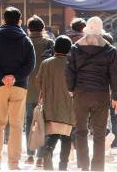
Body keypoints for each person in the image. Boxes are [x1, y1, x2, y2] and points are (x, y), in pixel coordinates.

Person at [66, 16, 117, 172]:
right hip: (101, 94)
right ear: (101, 30)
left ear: (86, 29)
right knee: (99, 132)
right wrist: (115, 96)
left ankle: (84, 165)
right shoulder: (110, 50)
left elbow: (69, 72)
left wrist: (71, 89)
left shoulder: (75, 48)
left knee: (81, 131)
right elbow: (115, 75)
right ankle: (97, 167)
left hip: (80, 93)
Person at [0, 6, 36, 171]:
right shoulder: (25, 40)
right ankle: (14, 163)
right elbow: (30, 64)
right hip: (19, 86)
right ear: (20, 21)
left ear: (3, 20)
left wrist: (2, 76)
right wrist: (15, 77)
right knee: (17, 124)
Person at [36, 35, 75, 171]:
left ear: (55, 48)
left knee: (52, 136)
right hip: (69, 106)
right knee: (66, 137)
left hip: (50, 105)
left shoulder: (46, 63)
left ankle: (47, 159)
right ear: (69, 49)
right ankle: (63, 167)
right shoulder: (71, 64)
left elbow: (39, 83)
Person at [25, 15, 54, 166]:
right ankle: (41, 158)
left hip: (27, 88)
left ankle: (30, 154)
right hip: (45, 89)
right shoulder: (49, 43)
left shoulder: (24, 41)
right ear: (43, 28)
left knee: (29, 122)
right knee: (44, 123)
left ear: (28, 29)